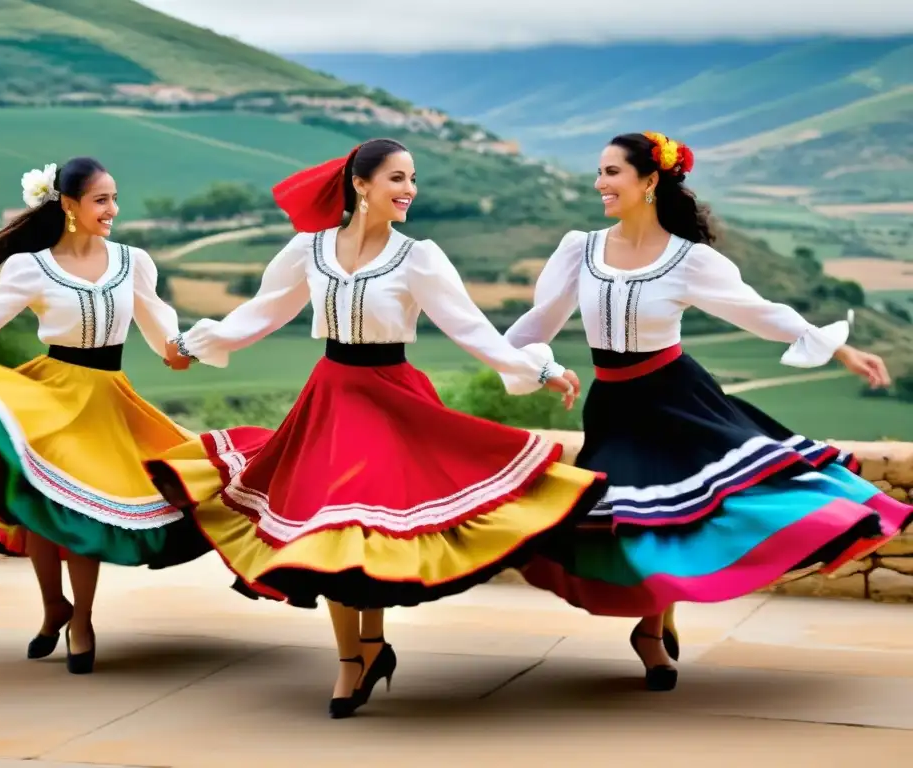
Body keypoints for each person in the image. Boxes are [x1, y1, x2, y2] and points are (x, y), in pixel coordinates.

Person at [152, 138, 608, 718]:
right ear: (360, 185)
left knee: (363, 524)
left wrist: (538, 367)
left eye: (412, 179)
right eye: (397, 178)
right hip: (331, 398)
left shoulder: (419, 257)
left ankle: (366, 649)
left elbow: (471, 328)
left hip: (394, 399)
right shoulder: (308, 251)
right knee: (327, 526)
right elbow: (261, 312)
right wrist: (191, 345)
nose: (409, 190)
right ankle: (357, 655)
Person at [502, 131, 913, 691]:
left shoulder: (689, 259)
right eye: (598, 172)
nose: (599, 183)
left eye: (612, 173)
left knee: (684, 515)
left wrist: (836, 346)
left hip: (678, 398)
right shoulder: (581, 248)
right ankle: (658, 619)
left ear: (649, 181)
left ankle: (650, 634)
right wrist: (527, 366)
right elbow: (535, 325)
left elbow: (758, 311)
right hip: (614, 404)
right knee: (633, 522)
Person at [0, 157, 208, 674]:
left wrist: (180, 348)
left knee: (83, 515)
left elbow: (158, 326)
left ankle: (80, 618)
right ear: (69, 205)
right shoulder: (31, 267)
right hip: (49, 394)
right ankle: (53, 606)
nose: (113, 209)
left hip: (106, 400)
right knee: (44, 506)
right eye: (101, 199)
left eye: (114, 197)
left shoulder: (133, 261)